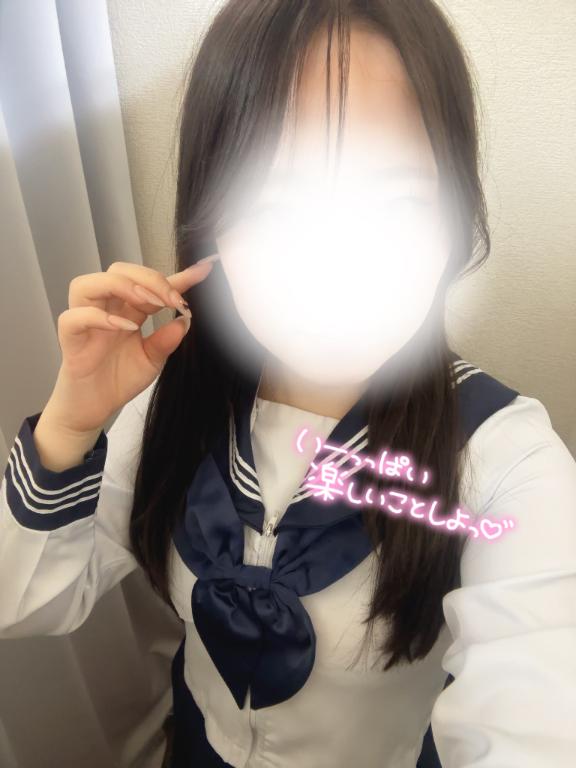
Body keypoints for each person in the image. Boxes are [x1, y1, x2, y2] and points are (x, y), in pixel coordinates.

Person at [1, 1, 575, 767]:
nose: (339, 258)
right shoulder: (172, 402)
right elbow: (23, 600)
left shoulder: (503, 461)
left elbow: (539, 711)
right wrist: (70, 426)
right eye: (276, 203)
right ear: (212, 225)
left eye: (399, 201)